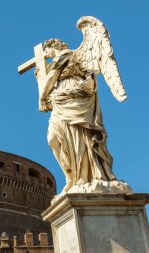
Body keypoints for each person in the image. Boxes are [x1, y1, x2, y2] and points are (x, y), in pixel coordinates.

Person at [34, 38, 115, 193]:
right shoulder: (54, 63)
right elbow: (50, 81)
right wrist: (40, 79)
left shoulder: (67, 55)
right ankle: (70, 177)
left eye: (46, 50)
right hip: (60, 101)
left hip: (75, 99)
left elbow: (52, 78)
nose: (45, 54)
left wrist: (42, 97)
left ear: (54, 46)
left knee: (79, 137)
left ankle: (83, 177)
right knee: (53, 139)